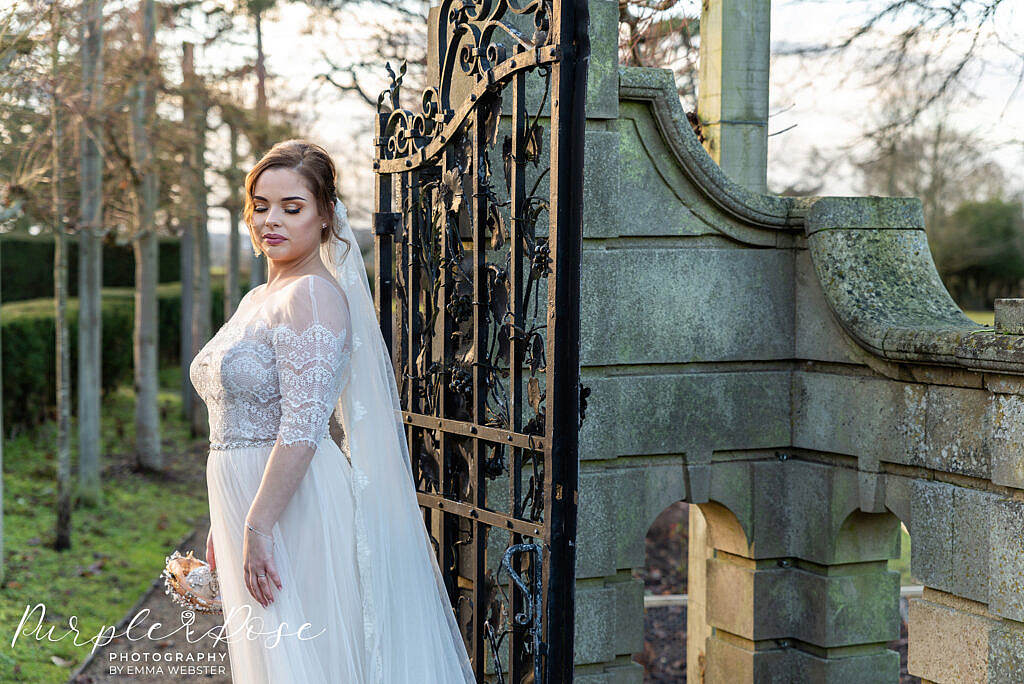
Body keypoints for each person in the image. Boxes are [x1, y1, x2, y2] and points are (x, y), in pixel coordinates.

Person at [189, 139, 476, 683]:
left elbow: (301, 424)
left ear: (324, 218)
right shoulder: (259, 298)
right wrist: (225, 517)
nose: (272, 220)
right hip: (257, 505)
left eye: (292, 207)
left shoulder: (312, 298)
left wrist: (257, 522)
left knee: (311, 664)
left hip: (295, 510)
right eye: (261, 205)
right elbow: (243, 420)